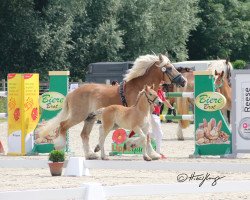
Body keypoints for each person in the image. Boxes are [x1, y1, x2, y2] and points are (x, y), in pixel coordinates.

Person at [150, 84, 176, 159]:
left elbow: (164, 101)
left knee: (155, 134)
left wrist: (172, 108)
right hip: (152, 114)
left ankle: (144, 136)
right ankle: (158, 152)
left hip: (157, 115)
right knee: (160, 133)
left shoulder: (160, 92)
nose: (161, 85)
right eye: (160, 84)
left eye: (162, 84)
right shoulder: (154, 92)